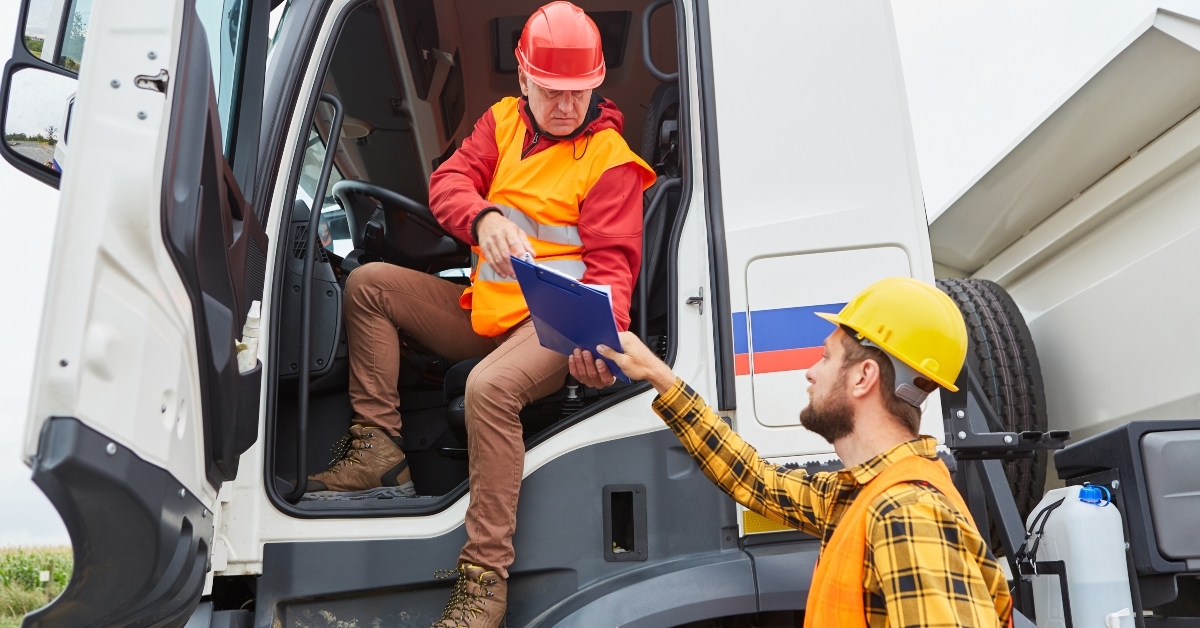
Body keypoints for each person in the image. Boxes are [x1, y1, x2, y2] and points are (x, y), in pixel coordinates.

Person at [303, 2, 655, 626]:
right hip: (487, 314)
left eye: (580, 92)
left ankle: (482, 585)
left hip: (555, 326)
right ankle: (378, 450)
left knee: (489, 390)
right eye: (553, 92)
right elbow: (448, 182)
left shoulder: (610, 161)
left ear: (596, 85)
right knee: (368, 285)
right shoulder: (502, 124)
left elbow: (613, 277)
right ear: (524, 81)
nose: (568, 106)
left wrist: (600, 353)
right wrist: (483, 217)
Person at [570, 277, 1014, 628]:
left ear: (863, 378)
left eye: (825, 357)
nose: (810, 372)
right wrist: (659, 376)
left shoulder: (908, 514)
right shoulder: (861, 494)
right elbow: (756, 481)